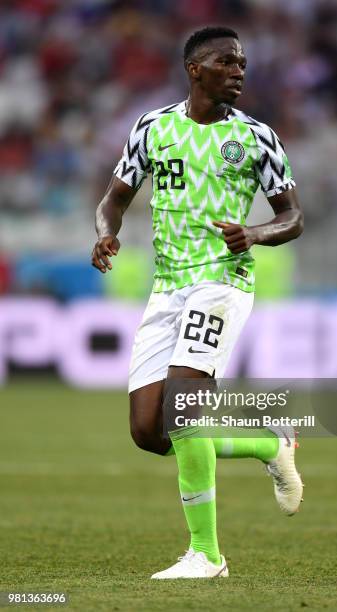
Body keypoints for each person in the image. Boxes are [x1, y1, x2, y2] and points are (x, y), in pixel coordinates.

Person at [91, 26, 304, 579]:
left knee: (184, 406)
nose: (239, 71)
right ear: (195, 69)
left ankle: (206, 555)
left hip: (222, 281)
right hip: (167, 286)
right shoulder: (151, 128)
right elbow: (113, 200)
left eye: (243, 64)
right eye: (228, 62)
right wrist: (105, 233)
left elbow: (293, 216)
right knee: (148, 431)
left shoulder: (258, 137)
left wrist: (255, 234)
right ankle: (267, 444)